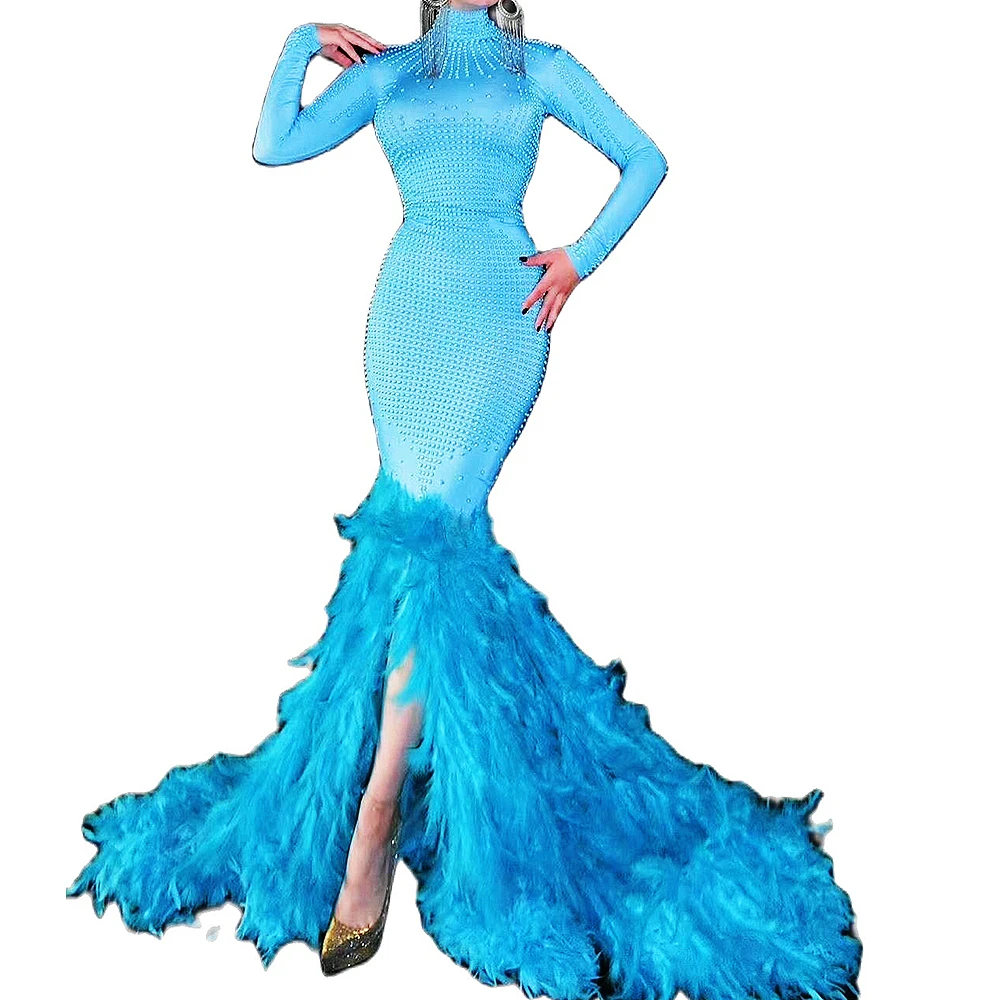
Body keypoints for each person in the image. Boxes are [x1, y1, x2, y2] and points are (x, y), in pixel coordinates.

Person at [67, 3, 862, 998]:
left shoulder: (541, 69)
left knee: (435, 546)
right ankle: (383, 784)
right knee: (404, 549)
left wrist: (579, 258)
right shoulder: (393, 73)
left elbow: (646, 160)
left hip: (497, 317)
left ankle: (374, 816)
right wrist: (301, 43)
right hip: (408, 315)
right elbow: (274, 146)